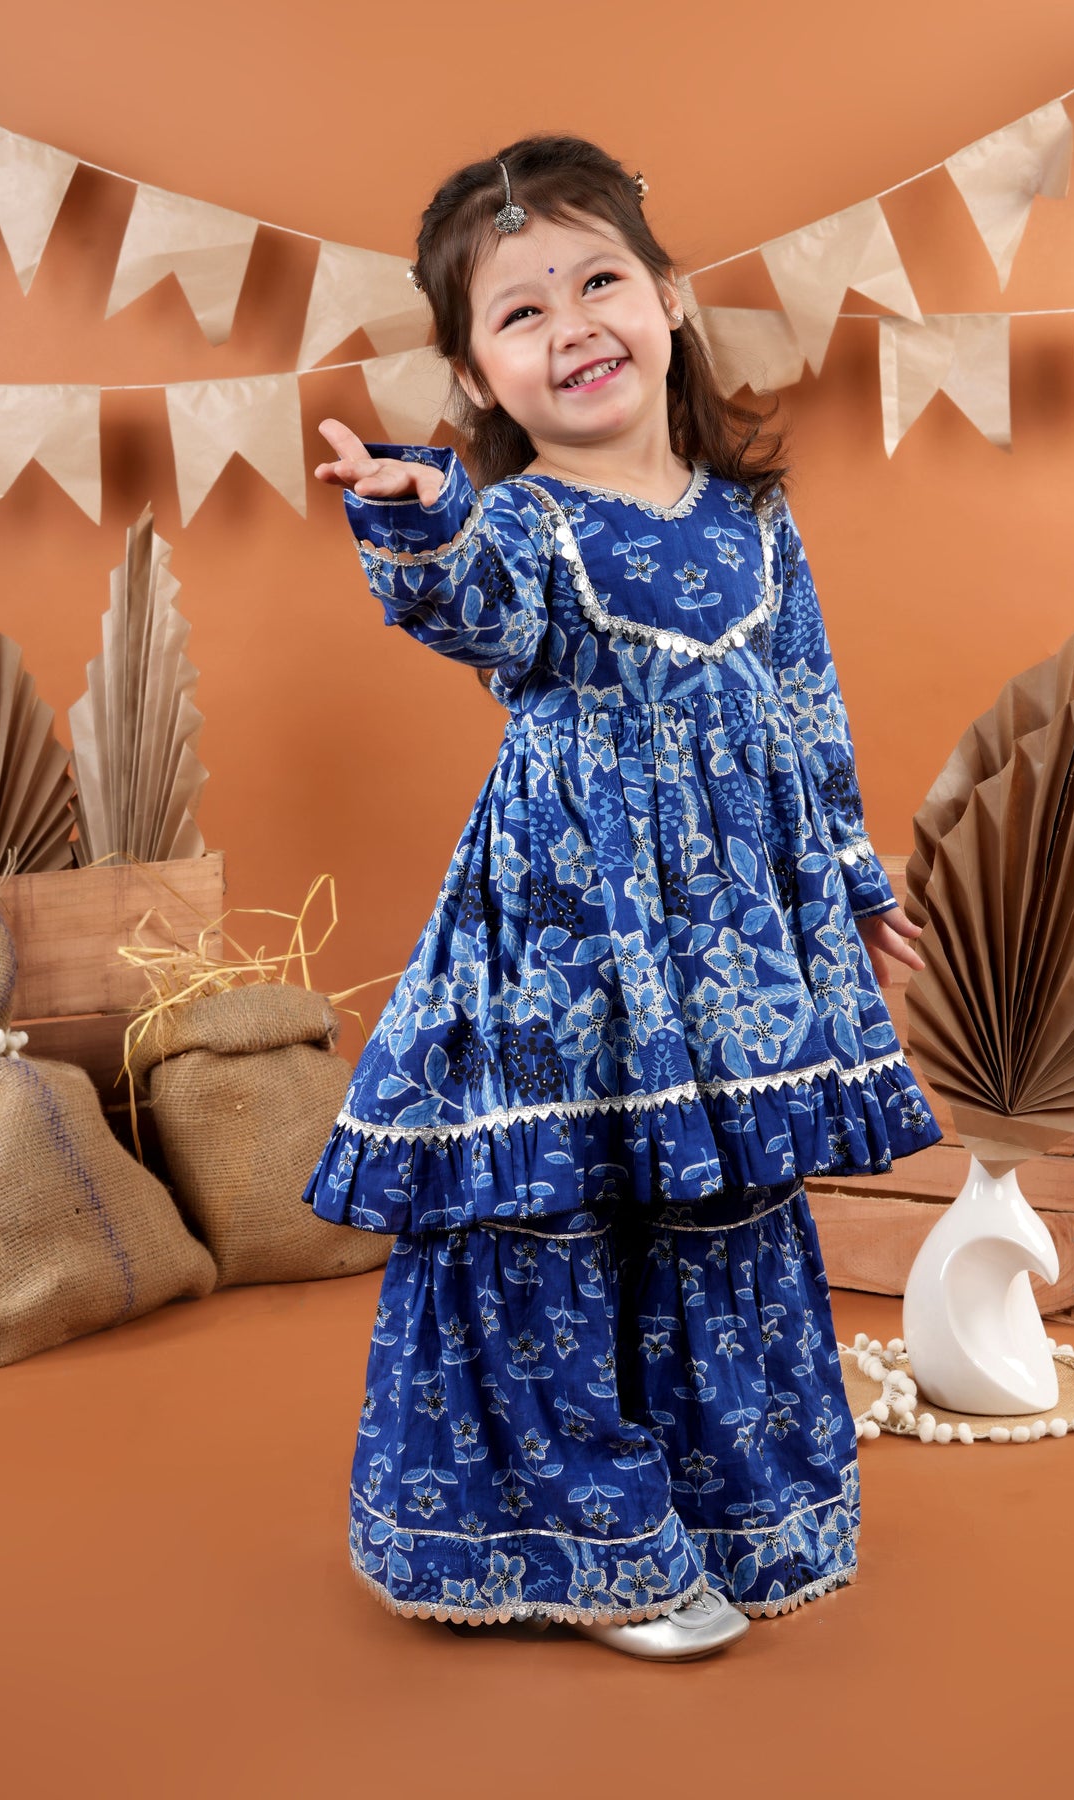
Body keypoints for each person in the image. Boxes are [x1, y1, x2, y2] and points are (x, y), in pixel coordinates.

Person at [304, 135, 941, 1661]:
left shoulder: (752, 520)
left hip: (727, 953)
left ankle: (731, 1513)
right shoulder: (519, 531)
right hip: (566, 951)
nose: (572, 323)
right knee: (559, 1212)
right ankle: (590, 1545)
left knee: (718, 1202)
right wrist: (418, 519)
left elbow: (809, 707)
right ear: (478, 374)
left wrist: (851, 880)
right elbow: (469, 603)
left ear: (671, 298)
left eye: (597, 282)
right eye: (519, 312)